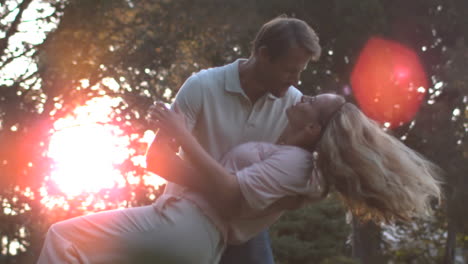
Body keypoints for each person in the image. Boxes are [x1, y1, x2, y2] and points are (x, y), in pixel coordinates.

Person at [37, 93, 442, 264]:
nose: (304, 96)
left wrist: (180, 135)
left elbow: (230, 192)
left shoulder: (299, 167)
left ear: (315, 128)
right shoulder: (292, 159)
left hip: (188, 226)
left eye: (314, 101)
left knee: (64, 238)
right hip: (194, 237)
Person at [153, 16, 322, 264]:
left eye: (300, 72)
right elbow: (157, 159)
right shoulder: (202, 86)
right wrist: (227, 193)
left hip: (245, 229)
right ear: (263, 55)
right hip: (185, 214)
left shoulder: (294, 106)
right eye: (289, 70)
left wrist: (238, 197)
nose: (295, 81)